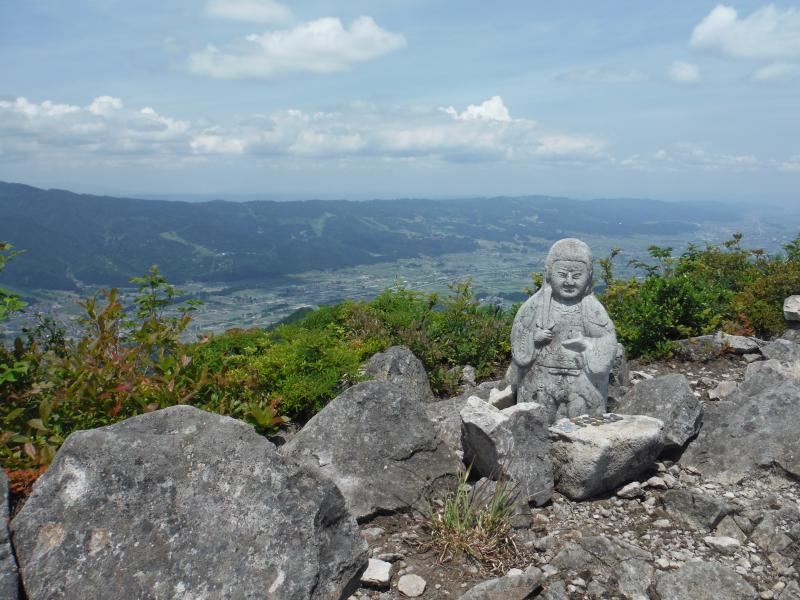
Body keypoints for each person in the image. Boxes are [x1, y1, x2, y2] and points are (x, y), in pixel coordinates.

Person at [510, 238, 617, 422]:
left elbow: (607, 340)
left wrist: (587, 344)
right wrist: (534, 339)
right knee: (538, 421)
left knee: (582, 423)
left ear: (589, 276)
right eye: (562, 274)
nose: (569, 282)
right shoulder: (535, 306)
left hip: (580, 380)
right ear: (548, 273)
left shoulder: (592, 308)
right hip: (541, 378)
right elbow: (520, 334)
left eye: (576, 276)